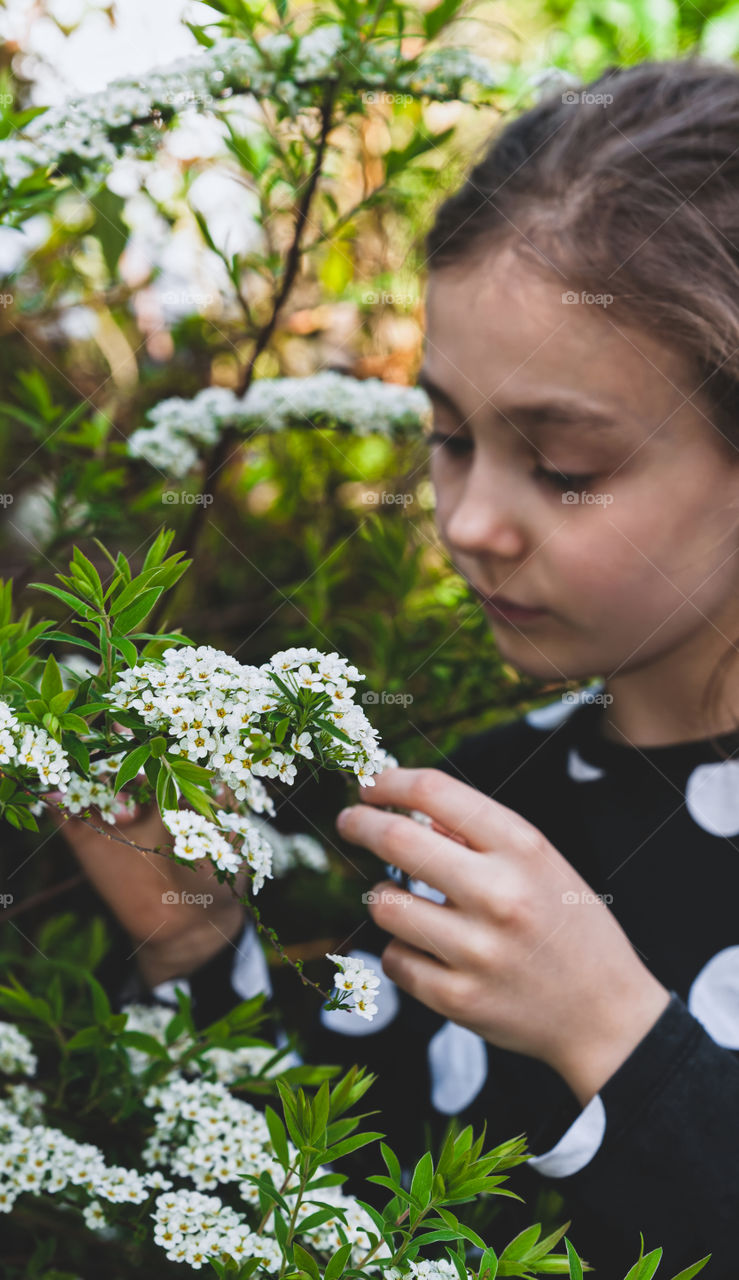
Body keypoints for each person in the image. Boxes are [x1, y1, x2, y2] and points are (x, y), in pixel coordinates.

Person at [51, 58, 739, 1277]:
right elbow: (341, 1190)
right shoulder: (482, 802)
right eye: (447, 435)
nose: (468, 518)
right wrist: (200, 945)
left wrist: (615, 1037)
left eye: (564, 462)